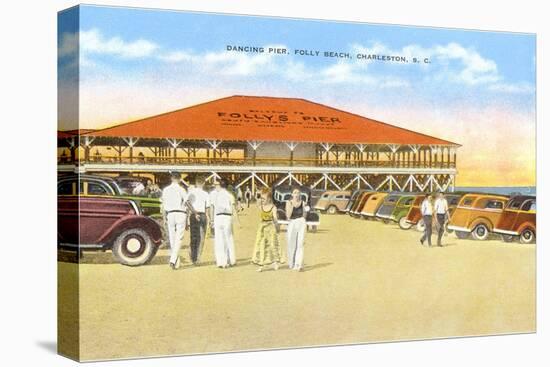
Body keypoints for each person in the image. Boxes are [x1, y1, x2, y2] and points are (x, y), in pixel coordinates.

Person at [161, 172, 193, 270]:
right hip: (180, 213)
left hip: (170, 214)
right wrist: (193, 212)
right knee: (179, 239)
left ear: (171, 178)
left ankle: (176, 262)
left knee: (172, 238)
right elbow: (187, 202)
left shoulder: (166, 190)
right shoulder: (181, 189)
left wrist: (164, 218)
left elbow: (163, 205)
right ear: (179, 179)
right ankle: (173, 259)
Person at [252, 188, 281, 272]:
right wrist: (259, 195)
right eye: (261, 198)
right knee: (261, 245)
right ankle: (261, 264)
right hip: (262, 228)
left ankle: (275, 262)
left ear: (269, 198)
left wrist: (277, 227)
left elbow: (275, 219)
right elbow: (256, 202)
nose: (262, 200)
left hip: (270, 227)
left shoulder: (273, 207)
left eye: (264, 198)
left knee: (272, 245)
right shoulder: (261, 206)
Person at [210, 179, 237, 268]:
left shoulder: (216, 195)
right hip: (227, 217)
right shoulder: (230, 195)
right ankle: (231, 260)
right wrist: (237, 221)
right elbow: (233, 209)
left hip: (218, 217)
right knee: (228, 238)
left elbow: (212, 208)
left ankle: (220, 261)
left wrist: (211, 220)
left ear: (220, 185)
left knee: (219, 240)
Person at [187, 176, 210, 265]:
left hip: (193, 214)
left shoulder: (191, 192)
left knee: (193, 236)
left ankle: (192, 255)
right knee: (201, 237)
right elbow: (207, 207)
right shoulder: (206, 194)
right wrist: (209, 218)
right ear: (204, 183)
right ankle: (197, 258)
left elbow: (187, 203)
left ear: (196, 183)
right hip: (202, 214)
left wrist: (194, 212)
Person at [285, 187, 308, 271]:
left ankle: (298, 264)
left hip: (301, 222)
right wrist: (292, 205)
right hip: (292, 222)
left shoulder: (303, 202)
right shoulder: (288, 202)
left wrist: (305, 208)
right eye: (295, 193)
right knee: (291, 244)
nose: (296, 194)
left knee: (300, 243)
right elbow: (288, 215)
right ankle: (291, 263)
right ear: (292, 194)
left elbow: (305, 215)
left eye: (298, 193)